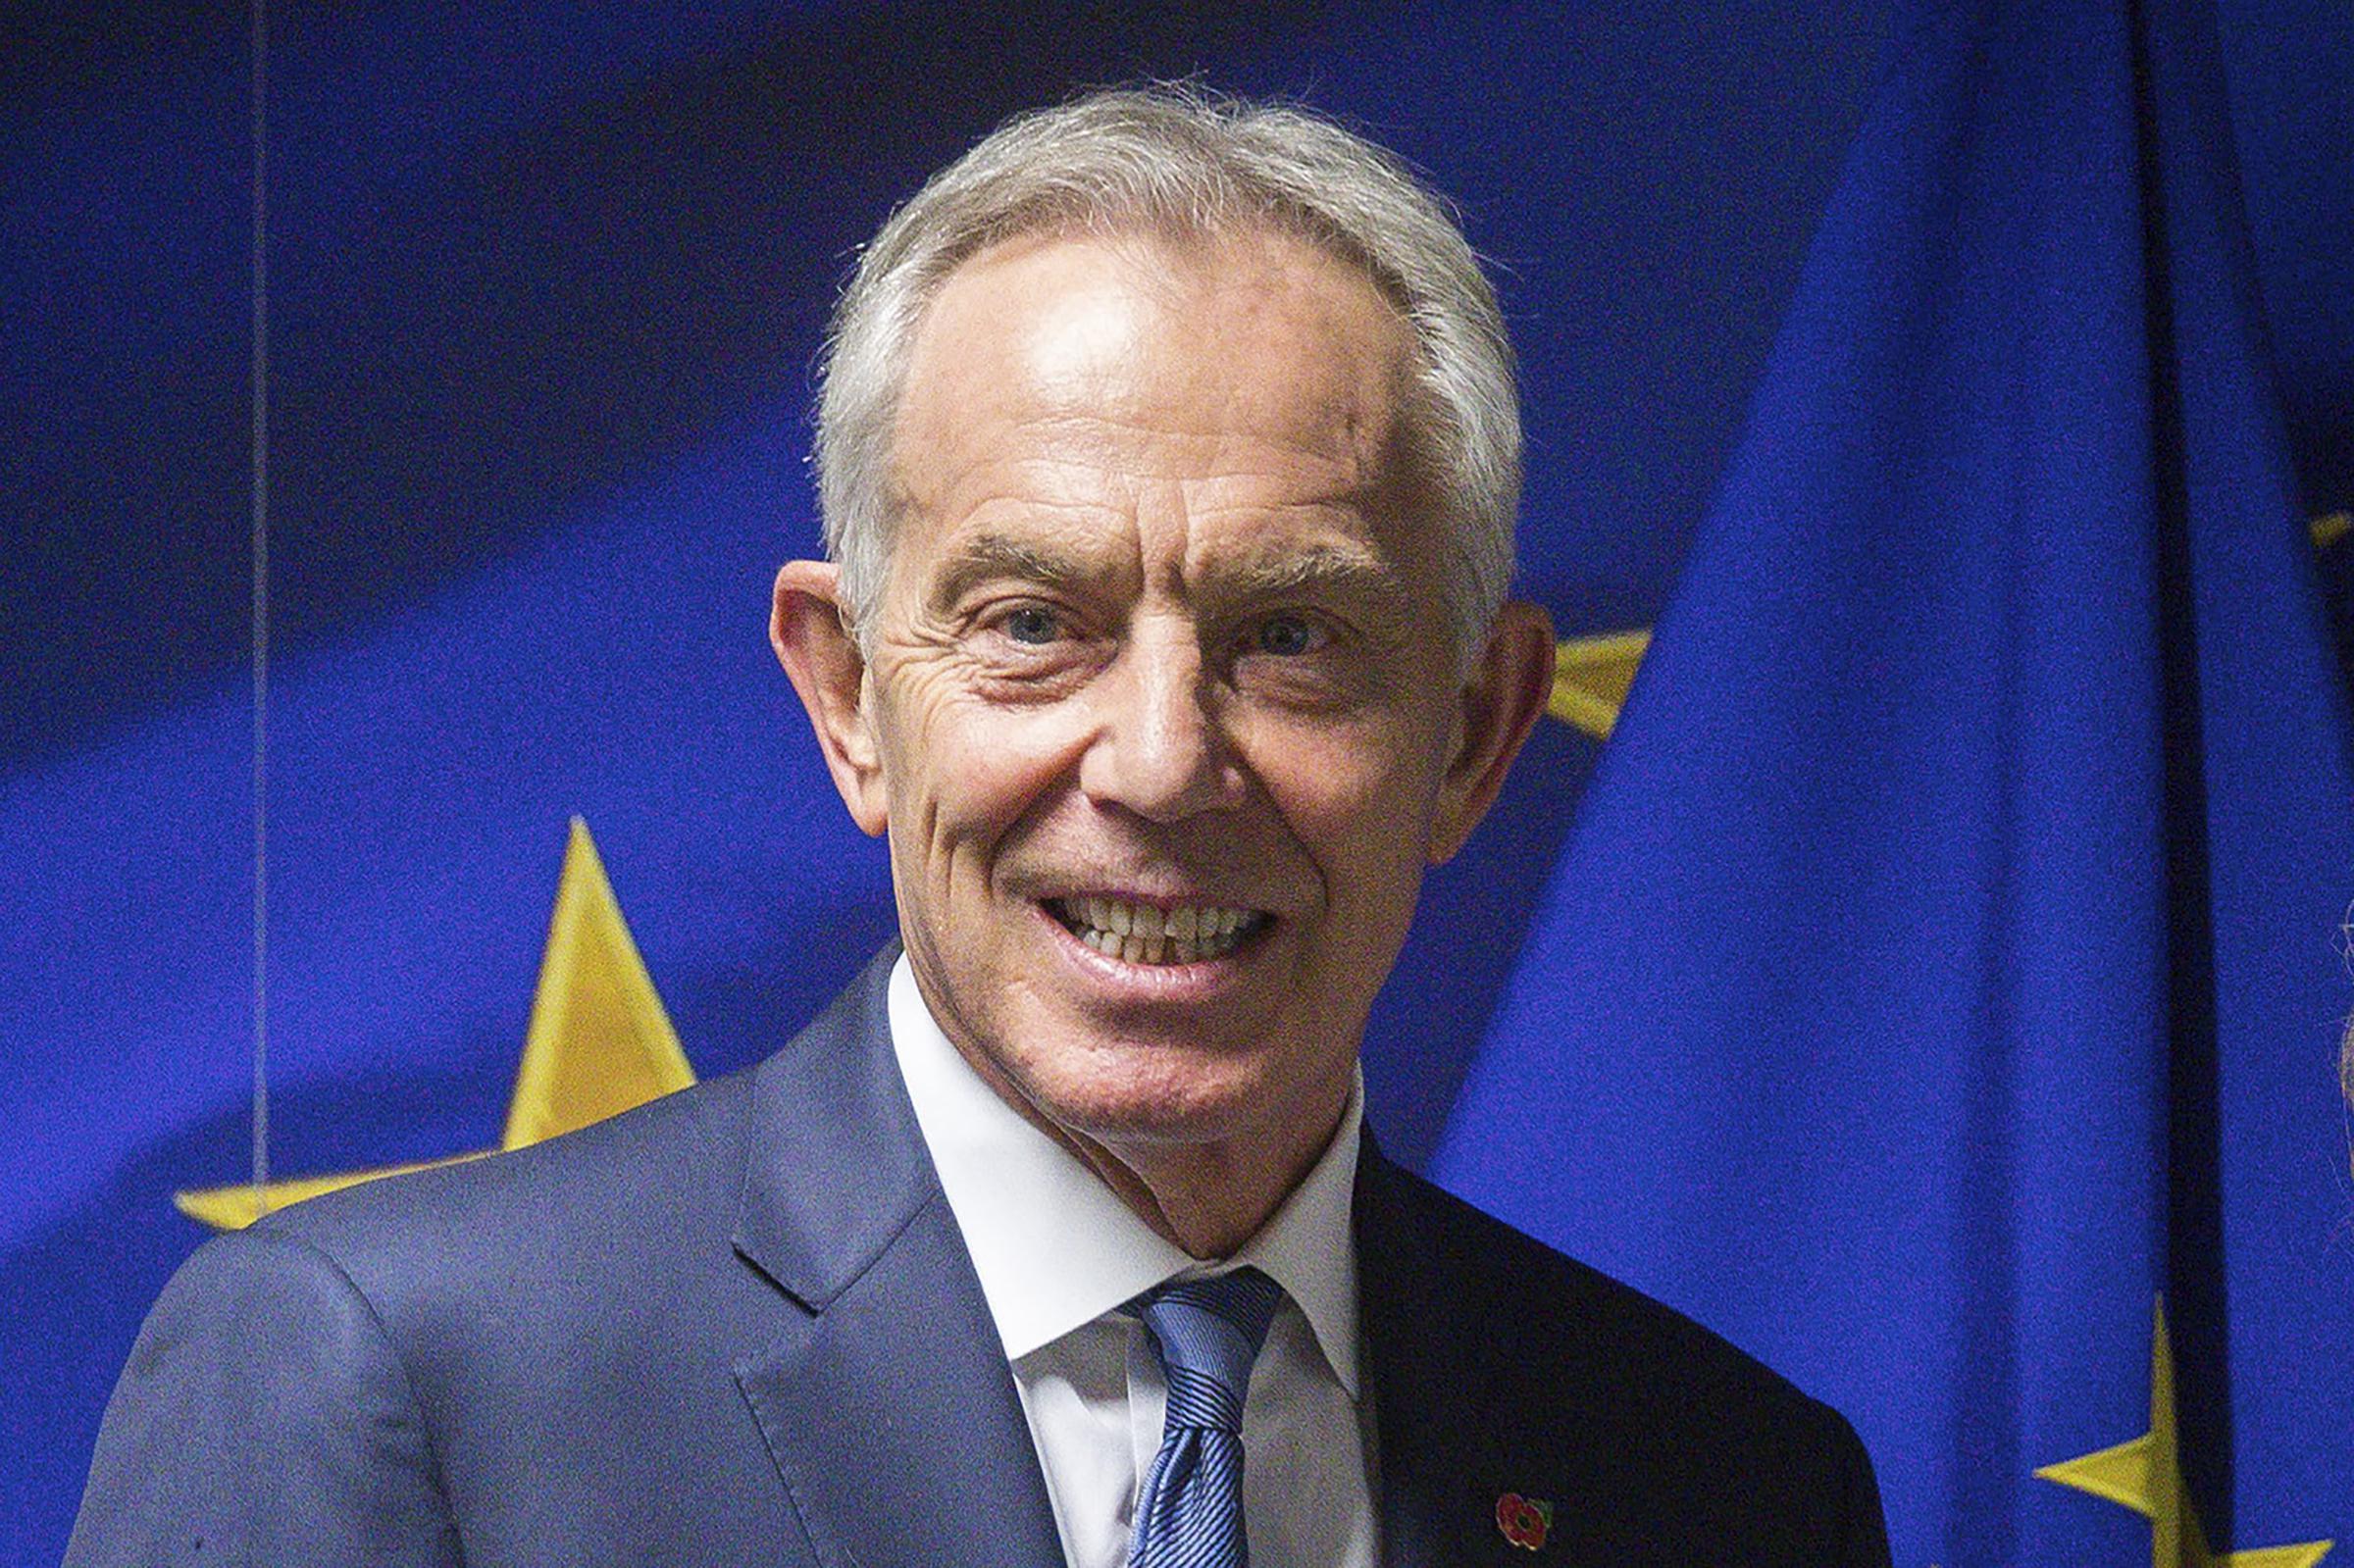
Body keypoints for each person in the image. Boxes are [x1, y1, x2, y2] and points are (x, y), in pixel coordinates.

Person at [69, 86, 1891, 1567]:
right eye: (1033, 623)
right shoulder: (381, 1385)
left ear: (1479, 730)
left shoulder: (1730, 1489)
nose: (1162, 764)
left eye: (1292, 635)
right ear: (852, 699)